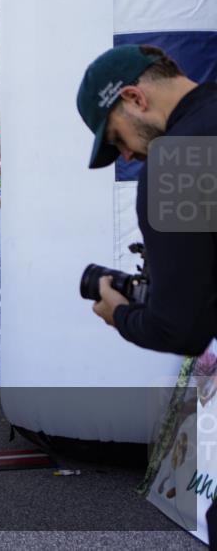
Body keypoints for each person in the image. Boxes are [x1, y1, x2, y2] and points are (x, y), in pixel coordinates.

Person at [77, 44, 217, 354]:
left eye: (117, 139)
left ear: (134, 98)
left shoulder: (172, 165)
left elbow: (180, 331)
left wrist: (121, 315)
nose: (126, 155)